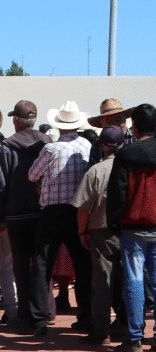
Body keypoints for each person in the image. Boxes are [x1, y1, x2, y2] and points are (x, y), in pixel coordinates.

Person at [103, 104, 156, 352]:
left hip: (133, 227)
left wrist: (114, 221)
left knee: (134, 281)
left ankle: (135, 336)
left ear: (135, 126)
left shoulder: (126, 155)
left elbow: (118, 193)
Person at [31, 101, 94, 333]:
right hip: (78, 211)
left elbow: (32, 175)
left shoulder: (51, 149)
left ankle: (38, 319)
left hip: (51, 211)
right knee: (83, 264)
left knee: (41, 263)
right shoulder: (87, 146)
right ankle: (86, 315)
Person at [1, 100, 51, 336]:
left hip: (17, 214)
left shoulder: (7, 147)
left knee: (20, 266)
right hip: (44, 212)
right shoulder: (48, 143)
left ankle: (24, 315)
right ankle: (45, 311)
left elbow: (2, 184)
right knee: (41, 264)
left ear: (17, 121)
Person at [72, 126, 126, 345]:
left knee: (102, 282)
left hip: (100, 231)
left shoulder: (96, 171)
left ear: (102, 145)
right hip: (128, 232)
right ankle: (125, 326)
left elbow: (83, 208)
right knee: (128, 281)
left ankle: (101, 330)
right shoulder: (131, 169)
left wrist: (82, 231)